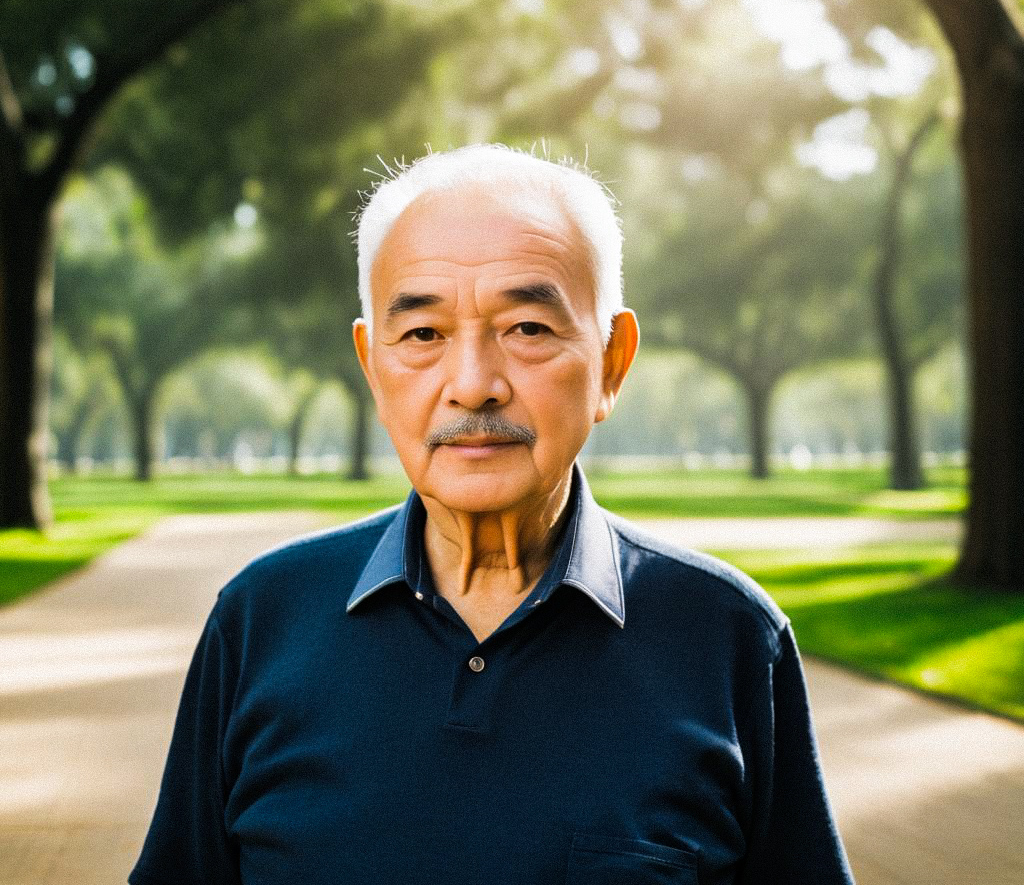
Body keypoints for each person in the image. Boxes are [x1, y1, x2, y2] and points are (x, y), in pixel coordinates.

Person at [129, 144, 854, 885]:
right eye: (422, 334)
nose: (473, 385)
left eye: (527, 329)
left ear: (611, 363)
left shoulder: (727, 639)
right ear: (373, 369)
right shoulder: (260, 620)